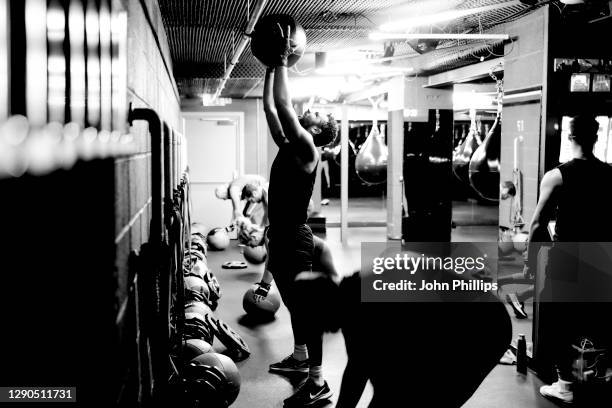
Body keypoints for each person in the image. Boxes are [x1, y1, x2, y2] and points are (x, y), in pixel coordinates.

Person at [291, 246, 511, 408]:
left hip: (485, 327)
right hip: (463, 321)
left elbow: (371, 375)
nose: (324, 332)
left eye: (318, 324)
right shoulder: (352, 297)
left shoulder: (370, 304)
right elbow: (358, 368)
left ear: (322, 307)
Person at [254, 24, 338, 407]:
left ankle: (318, 383)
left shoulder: (307, 149)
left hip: (296, 239)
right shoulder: (290, 143)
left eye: (316, 114)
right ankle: (301, 358)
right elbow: (272, 107)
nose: (310, 110)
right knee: (292, 304)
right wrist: (272, 64)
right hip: (284, 235)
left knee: (305, 310)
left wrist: (286, 60)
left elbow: (286, 107)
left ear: (317, 130)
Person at [524, 114, 612, 403]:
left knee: (561, 321)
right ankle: (599, 374)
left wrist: (534, 258)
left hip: (567, 258)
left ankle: (566, 385)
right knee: (598, 317)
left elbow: (537, 225)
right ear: (596, 137)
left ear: (569, 137)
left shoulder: (557, 176)